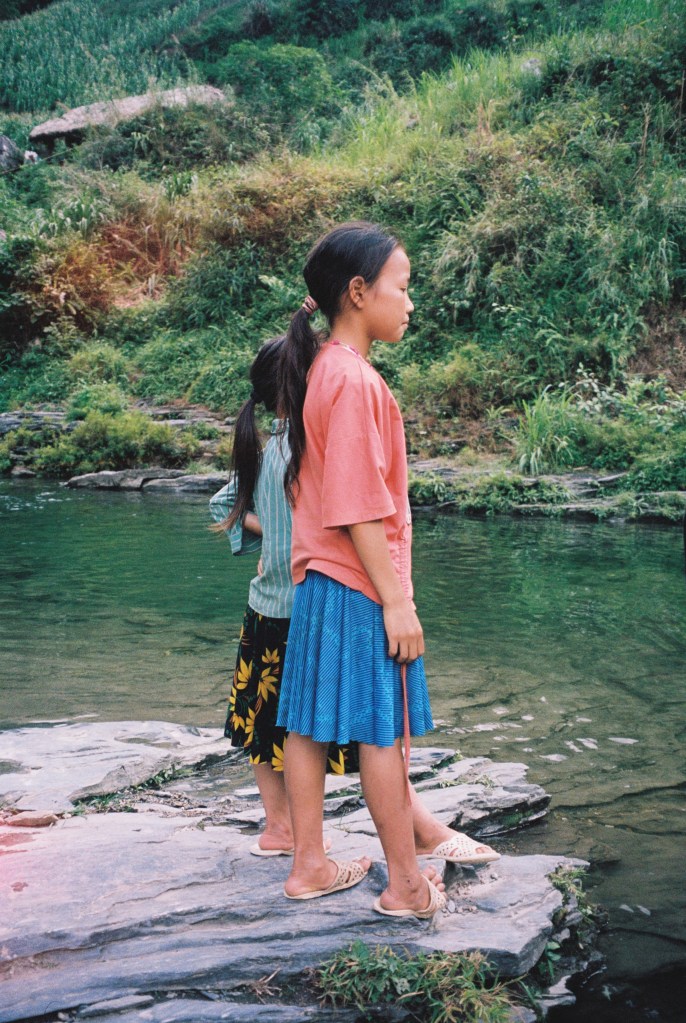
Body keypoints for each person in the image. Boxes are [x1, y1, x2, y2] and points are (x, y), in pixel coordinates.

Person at [276, 221, 498, 919]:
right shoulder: (352, 379)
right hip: (359, 581)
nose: (410, 302)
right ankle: (405, 885)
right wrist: (397, 601)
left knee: (308, 723)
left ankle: (309, 864)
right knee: (382, 730)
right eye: (401, 287)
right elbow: (356, 507)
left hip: (321, 578)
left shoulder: (325, 370)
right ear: (358, 291)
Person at [210, 337, 357, 857]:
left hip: (263, 610)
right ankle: (298, 836)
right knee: (303, 727)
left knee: (262, 721)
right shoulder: (307, 448)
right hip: (307, 610)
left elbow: (222, 504)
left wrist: (272, 535)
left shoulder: (270, 448)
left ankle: (278, 827)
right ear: (303, 381)